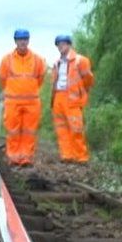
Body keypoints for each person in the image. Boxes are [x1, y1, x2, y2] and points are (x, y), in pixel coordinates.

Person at [0, 29, 46, 167]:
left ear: (28, 40)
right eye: (20, 39)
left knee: (29, 131)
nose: (23, 42)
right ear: (15, 41)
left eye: (25, 39)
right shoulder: (6, 60)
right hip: (13, 101)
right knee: (13, 130)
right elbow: (2, 79)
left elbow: (40, 78)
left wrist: (29, 90)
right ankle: (13, 158)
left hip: (32, 102)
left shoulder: (38, 60)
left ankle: (26, 158)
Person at [50, 34, 94, 164]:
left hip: (73, 99)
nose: (60, 47)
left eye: (63, 44)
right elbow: (54, 81)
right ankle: (67, 155)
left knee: (76, 128)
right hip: (58, 97)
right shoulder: (56, 63)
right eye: (58, 45)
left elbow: (88, 79)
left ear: (69, 45)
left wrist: (81, 92)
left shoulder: (81, 60)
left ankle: (81, 157)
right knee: (61, 128)